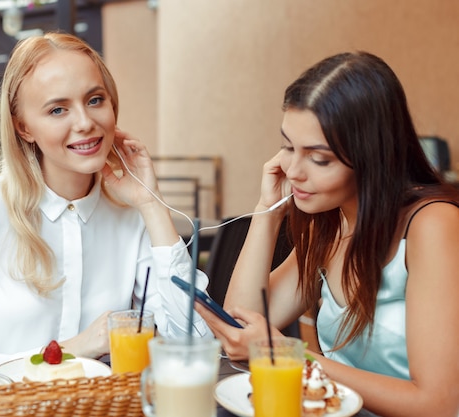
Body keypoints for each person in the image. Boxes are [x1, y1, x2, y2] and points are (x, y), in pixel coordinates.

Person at [195, 51, 459, 417]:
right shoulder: (329, 225)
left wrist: (287, 355)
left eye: (319, 158)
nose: (294, 170)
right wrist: (266, 212)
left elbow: (439, 404)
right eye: (288, 147)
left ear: (371, 157)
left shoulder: (433, 225)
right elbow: (241, 322)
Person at [0, 32, 210, 372]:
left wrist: (151, 204)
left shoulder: (131, 211)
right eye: (58, 109)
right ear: (24, 128)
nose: (85, 123)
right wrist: (73, 349)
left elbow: (195, 343)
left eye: (95, 100)